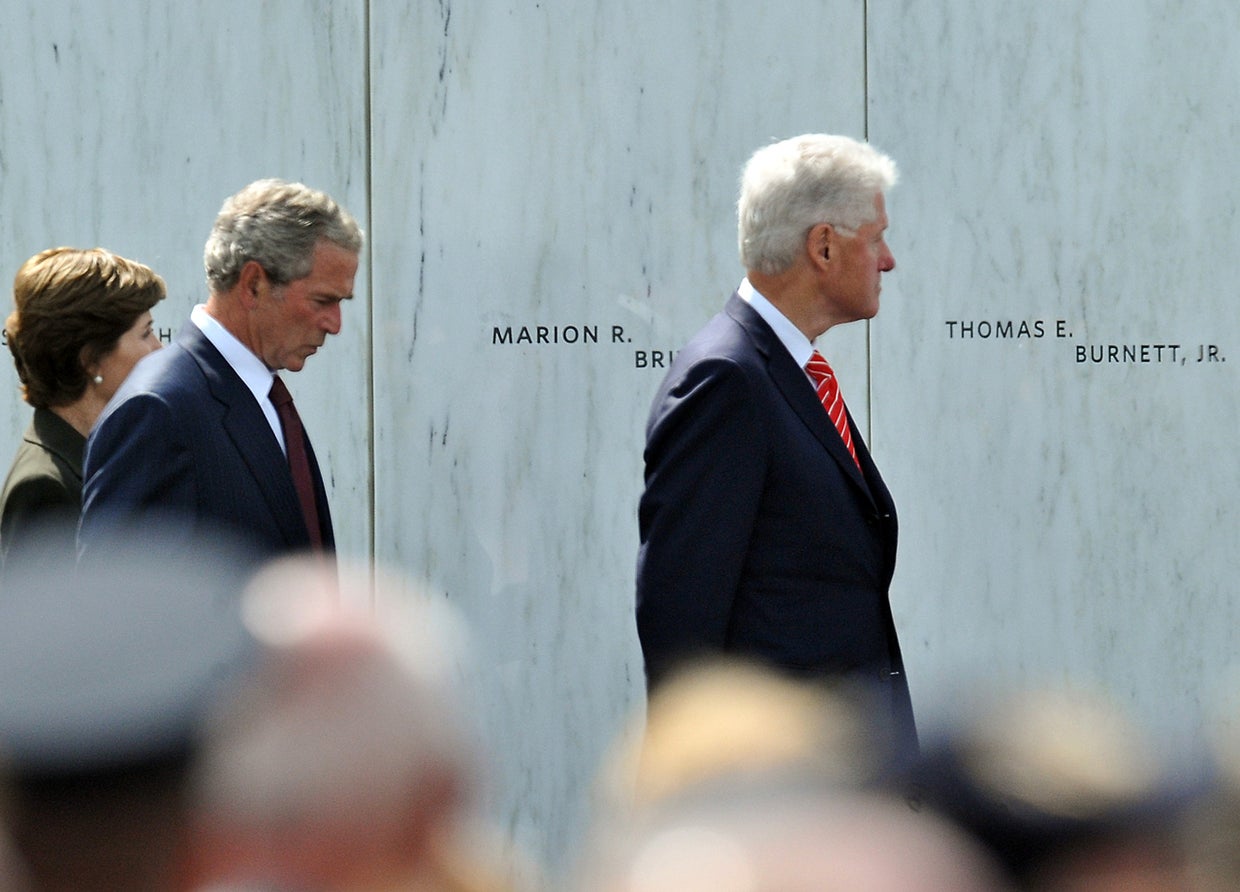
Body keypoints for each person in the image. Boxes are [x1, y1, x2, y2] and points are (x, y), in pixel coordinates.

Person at [635, 133, 916, 758]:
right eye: (875, 238)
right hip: (778, 790)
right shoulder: (727, 381)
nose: (889, 259)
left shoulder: (785, 372)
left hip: (838, 781)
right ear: (823, 247)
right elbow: (681, 619)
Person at [79, 179, 362, 560]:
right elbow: (115, 599)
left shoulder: (263, 396)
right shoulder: (158, 410)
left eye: (341, 302)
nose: (335, 324)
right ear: (253, 284)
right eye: (323, 300)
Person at [0, 247, 164, 570]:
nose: (160, 349)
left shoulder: (97, 458)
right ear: (90, 360)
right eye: (145, 333)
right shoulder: (44, 487)